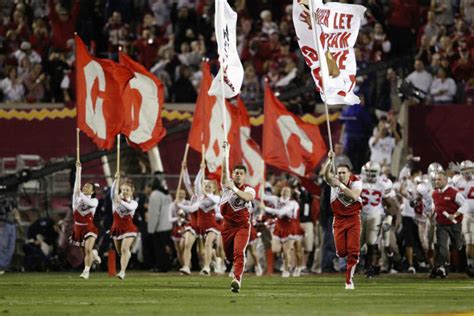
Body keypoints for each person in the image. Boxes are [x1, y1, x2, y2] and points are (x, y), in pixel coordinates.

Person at [322, 151, 363, 289]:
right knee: (341, 252)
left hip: (353, 219)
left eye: (343, 173)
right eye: (339, 173)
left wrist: (340, 185)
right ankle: (345, 263)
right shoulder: (334, 181)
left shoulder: (356, 182)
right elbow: (325, 175)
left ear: (349, 173)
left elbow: (354, 196)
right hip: (339, 220)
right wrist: (329, 161)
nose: (340, 175)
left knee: (353, 251)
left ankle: (349, 280)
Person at [220, 142, 256, 293]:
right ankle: (234, 268)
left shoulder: (249, 189)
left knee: (238, 252)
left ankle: (237, 280)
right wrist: (225, 153)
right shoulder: (226, 185)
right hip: (227, 226)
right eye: (236, 173)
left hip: (242, 226)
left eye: (241, 173)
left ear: (244, 175)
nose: (238, 175)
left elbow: (247, 197)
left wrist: (233, 188)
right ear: (233, 175)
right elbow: (223, 172)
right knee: (229, 256)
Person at [359, 161, 397, 277]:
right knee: (358, 244)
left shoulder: (383, 184)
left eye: (372, 173)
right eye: (368, 172)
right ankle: (365, 265)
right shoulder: (357, 182)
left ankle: (372, 267)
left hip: (376, 215)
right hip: (360, 215)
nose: (370, 175)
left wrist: (388, 219)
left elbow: (391, 204)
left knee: (374, 242)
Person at [431, 171, 469, 278]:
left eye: (439, 179)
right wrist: (432, 212)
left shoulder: (454, 193)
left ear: (445, 181)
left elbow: (465, 205)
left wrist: (455, 214)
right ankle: (442, 267)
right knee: (442, 245)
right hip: (441, 223)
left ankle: (465, 265)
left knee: (457, 245)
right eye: (436, 180)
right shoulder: (434, 193)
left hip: (454, 223)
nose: (437, 182)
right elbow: (435, 205)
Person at [70, 162, 101, 279]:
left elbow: (89, 203)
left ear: (93, 192)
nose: (84, 188)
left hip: (89, 227)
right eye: (84, 186)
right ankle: (95, 254)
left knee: (87, 249)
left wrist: (80, 193)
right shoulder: (76, 200)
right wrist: (79, 170)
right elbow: (76, 186)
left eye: (88, 187)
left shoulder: (94, 201)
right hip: (78, 228)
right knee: (85, 251)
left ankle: (86, 271)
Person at [263, 186, 299, 277]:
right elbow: (263, 196)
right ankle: (285, 261)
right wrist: (259, 187)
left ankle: (286, 270)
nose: (285, 192)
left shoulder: (292, 203)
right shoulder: (276, 199)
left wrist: (265, 208)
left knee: (286, 251)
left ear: (290, 193)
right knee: (275, 249)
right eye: (284, 190)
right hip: (279, 227)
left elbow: (281, 212)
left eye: (288, 191)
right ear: (280, 191)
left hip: (289, 227)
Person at [110, 172, 138, 280]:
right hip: (117, 228)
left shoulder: (134, 203)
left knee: (124, 249)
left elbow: (130, 208)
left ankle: (122, 272)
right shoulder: (115, 200)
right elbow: (112, 193)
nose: (125, 192)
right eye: (123, 190)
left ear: (131, 192)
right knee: (120, 252)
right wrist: (116, 180)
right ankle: (127, 256)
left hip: (129, 228)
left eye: (127, 190)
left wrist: (120, 201)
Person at [453, 160, 474, 277]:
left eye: (468, 169)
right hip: (466, 215)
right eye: (464, 170)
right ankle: (470, 265)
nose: (466, 172)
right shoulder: (457, 181)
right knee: (469, 241)